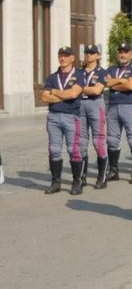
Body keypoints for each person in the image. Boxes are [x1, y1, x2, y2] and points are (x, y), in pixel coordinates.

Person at [41, 47, 86, 194]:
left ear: (72, 58)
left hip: (71, 117)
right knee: (54, 149)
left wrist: (54, 92)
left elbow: (73, 94)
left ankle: (77, 182)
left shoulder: (79, 74)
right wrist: (63, 96)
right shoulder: (52, 77)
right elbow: (44, 97)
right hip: (53, 117)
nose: (63, 58)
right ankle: (55, 182)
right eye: (60, 55)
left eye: (66, 56)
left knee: (73, 150)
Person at [105, 42, 132, 183]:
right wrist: (122, 80)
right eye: (120, 52)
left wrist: (115, 84)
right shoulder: (112, 69)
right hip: (113, 106)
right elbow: (106, 82)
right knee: (112, 139)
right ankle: (113, 170)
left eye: (125, 52)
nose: (122, 54)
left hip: (130, 106)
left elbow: (130, 85)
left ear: (131, 54)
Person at [79, 43, 109, 189]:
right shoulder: (79, 72)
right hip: (80, 106)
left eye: (92, 53)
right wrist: (85, 89)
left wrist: (79, 89)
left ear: (98, 55)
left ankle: (102, 176)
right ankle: (82, 176)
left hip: (96, 105)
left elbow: (97, 90)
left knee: (98, 142)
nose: (89, 55)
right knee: (81, 141)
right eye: (87, 53)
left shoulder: (102, 72)